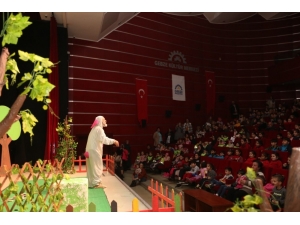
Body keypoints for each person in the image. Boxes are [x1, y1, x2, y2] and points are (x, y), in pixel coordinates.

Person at [85, 116, 119, 189]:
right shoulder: (99, 129)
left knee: (92, 167)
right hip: (94, 151)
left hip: (90, 150)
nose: (105, 120)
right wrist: (114, 141)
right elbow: (104, 140)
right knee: (97, 166)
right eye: (104, 119)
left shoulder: (94, 129)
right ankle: (96, 183)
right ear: (100, 121)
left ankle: (92, 183)